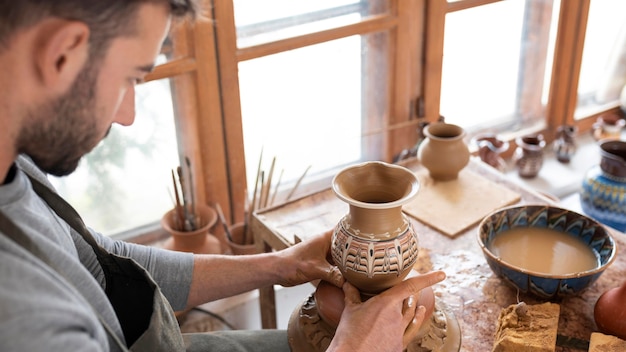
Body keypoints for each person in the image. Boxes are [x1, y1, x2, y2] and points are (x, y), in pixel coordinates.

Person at [0, 1, 446, 351]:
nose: (129, 115)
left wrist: (278, 266)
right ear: (62, 53)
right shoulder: (26, 322)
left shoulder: (14, 167)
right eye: (131, 78)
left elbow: (103, 263)